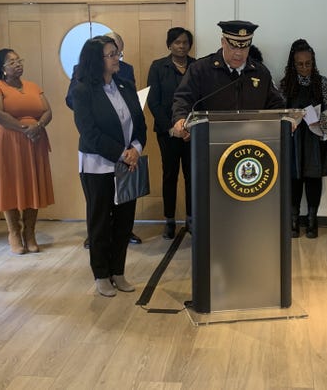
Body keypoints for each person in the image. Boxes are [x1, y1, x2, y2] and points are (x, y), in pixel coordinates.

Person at [70, 36, 146, 297]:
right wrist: (122, 153)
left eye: (117, 54)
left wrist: (135, 149)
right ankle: (101, 274)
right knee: (101, 222)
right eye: (111, 55)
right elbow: (89, 133)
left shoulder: (124, 85)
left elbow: (140, 123)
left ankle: (119, 272)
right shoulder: (82, 91)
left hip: (127, 164)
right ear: (96, 60)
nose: (117, 58)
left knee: (124, 221)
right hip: (97, 166)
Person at [0, 49, 54, 255]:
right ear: (2, 68)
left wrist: (38, 126)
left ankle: (30, 233)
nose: (17, 64)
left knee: (33, 185)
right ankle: (14, 232)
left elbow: (47, 111)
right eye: (11, 62)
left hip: (34, 141)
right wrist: (25, 129)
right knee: (10, 185)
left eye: (18, 60)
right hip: (7, 142)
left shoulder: (33, 86)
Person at [171, 20, 285, 137]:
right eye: (233, 47)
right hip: (210, 139)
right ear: (223, 42)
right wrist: (180, 118)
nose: (238, 54)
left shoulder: (260, 72)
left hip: (251, 140)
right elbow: (183, 98)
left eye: (244, 48)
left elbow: (276, 104)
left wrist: (285, 120)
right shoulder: (201, 69)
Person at [281, 39, 327, 239]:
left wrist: (321, 118)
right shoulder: (285, 84)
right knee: (294, 178)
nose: (305, 68)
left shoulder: (322, 82)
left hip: (316, 136)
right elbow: (279, 111)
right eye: (300, 64)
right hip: (294, 137)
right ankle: (293, 220)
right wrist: (291, 117)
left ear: (313, 62)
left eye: (308, 63)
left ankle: (312, 219)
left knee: (314, 178)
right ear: (293, 64)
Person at [147, 27, 196, 239]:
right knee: (170, 174)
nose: (181, 46)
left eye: (185, 42)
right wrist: (171, 128)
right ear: (169, 44)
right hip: (167, 132)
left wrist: (190, 129)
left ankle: (192, 218)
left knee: (192, 175)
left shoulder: (197, 66)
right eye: (177, 42)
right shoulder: (158, 67)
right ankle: (169, 220)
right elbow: (153, 102)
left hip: (193, 132)